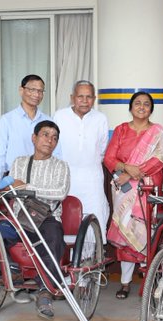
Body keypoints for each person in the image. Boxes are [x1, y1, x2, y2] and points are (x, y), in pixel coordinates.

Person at [0, 120, 71, 320]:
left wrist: (27, 187)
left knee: (55, 237)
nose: (50, 140)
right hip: (19, 218)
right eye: (45, 134)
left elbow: (60, 193)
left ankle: (45, 291)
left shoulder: (61, 166)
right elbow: (11, 190)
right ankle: (11, 270)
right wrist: (9, 188)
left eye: (54, 137)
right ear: (34, 138)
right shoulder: (19, 162)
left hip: (46, 218)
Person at [104, 91, 163, 300]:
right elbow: (109, 158)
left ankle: (148, 279)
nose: (141, 107)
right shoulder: (121, 129)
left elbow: (160, 159)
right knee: (126, 230)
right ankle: (125, 282)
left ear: (151, 109)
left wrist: (135, 172)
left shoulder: (157, 132)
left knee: (146, 230)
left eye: (146, 104)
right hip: (123, 188)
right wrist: (126, 169)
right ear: (131, 108)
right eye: (137, 103)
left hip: (148, 186)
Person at [52, 80, 110, 224]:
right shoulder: (60, 116)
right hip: (66, 177)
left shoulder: (100, 119)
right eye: (80, 97)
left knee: (94, 214)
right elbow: (54, 146)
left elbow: (102, 149)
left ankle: (94, 246)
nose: (85, 101)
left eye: (89, 97)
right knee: (67, 217)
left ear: (94, 99)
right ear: (72, 98)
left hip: (92, 179)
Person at [0, 74, 53, 184]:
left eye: (40, 91)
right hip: (13, 179)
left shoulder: (48, 121)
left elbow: (56, 152)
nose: (36, 94)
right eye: (32, 89)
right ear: (21, 90)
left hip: (42, 179)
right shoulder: (7, 120)